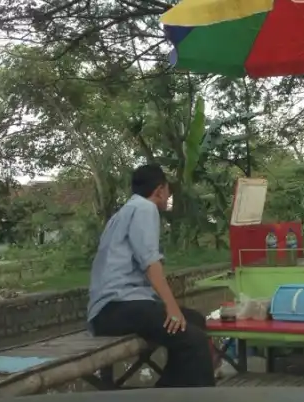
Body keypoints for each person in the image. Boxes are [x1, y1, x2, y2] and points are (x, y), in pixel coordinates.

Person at [87, 164, 215, 388]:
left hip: (113, 309)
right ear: (160, 190)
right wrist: (171, 307)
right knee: (194, 341)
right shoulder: (145, 209)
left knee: (195, 320)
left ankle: (166, 394)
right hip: (116, 308)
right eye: (168, 191)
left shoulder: (123, 212)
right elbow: (150, 263)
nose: (168, 197)